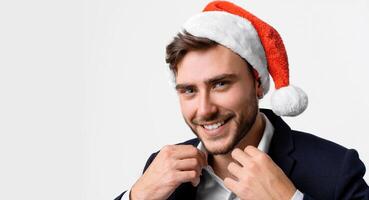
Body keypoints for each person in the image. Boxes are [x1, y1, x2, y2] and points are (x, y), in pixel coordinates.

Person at [116, 1, 369, 199]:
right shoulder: (160, 169)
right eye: (189, 90)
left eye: (220, 84)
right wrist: (137, 196)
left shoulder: (336, 169)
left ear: (257, 83)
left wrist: (289, 199)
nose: (204, 110)